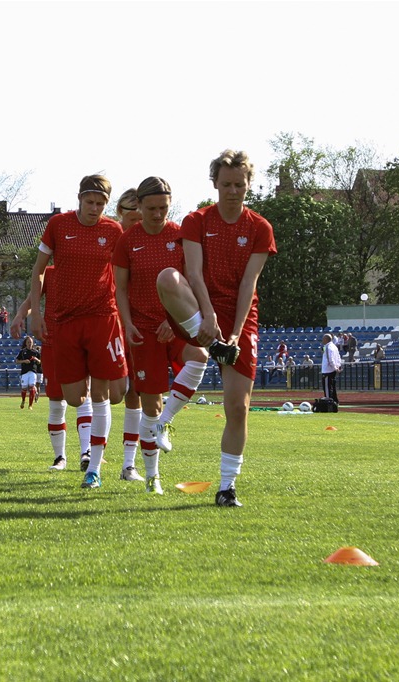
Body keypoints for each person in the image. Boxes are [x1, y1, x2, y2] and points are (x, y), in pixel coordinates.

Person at [156, 150, 276, 507]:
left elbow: (248, 285)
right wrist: (207, 318)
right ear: (215, 184)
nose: (233, 191)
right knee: (167, 277)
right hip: (198, 308)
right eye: (226, 184)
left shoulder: (260, 228)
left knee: (238, 408)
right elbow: (192, 273)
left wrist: (235, 333)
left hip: (239, 318)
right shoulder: (196, 220)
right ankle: (210, 343)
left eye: (240, 184)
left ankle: (227, 488)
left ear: (249, 185)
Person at [28, 174, 127, 490]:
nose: (94, 209)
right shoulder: (59, 225)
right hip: (65, 321)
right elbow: (39, 271)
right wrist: (35, 312)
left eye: (100, 204)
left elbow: (125, 276)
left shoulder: (113, 231)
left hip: (102, 317)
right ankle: (78, 453)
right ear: (79, 199)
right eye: (90, 202)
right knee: (73, 397)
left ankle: (93, 468)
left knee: (102, 396)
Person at [113, 177, 210, 494]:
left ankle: (165, 421)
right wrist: (127, 324)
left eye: (164, 208)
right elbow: (121, 289)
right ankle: (153, 477)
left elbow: (192, 282)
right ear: (139, 206)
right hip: (144, 330)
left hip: (176, 324)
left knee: (200, 356)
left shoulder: (180, 236)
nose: (158, 214)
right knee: (149, 403)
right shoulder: (127, 242)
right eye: (151, 208)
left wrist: (179, 317)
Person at [11, 265, 92, 471]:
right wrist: (20, 315)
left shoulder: (86, 268)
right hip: (52, 342)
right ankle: (60, 458)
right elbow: (31, 301)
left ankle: (87, 452)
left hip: (79, 342)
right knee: (56, 401)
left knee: (84, 396)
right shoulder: (49, 272)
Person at [112, 189, 146, 482]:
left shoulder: (152, 241)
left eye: (141, 218)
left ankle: (128, 464)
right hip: (107, 324)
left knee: (137, 393)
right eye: (132, 218)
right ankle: (88, 452)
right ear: (120, 215)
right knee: (112, 393)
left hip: (137, 324)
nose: (138, 224)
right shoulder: (108, 239)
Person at [15, 335, 42, 410]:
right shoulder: (23, 352)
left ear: (33, 343)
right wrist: (24, 361)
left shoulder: (36, 352)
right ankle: (23, 400)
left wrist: (36, 359)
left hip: (33, 371)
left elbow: (40, 362)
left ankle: (30, 405)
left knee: (32, 386)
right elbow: (17, 361)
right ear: (26, 343)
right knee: (24, 387)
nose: (30, 343)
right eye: (28, 342)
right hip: (24, 372)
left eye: (31, 342)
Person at [321, 333, 342, 404]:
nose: (322, 340)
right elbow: (338, 357)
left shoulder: (328, 347)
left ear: (326, 339)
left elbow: (330, 359)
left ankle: (329, 401)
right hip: (333, 370)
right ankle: (335, 401)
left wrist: (335, 367)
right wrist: (338, 366)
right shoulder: (334, 347)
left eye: (323, 339)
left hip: (327, 370)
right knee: (332, 386)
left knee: (327, 387)